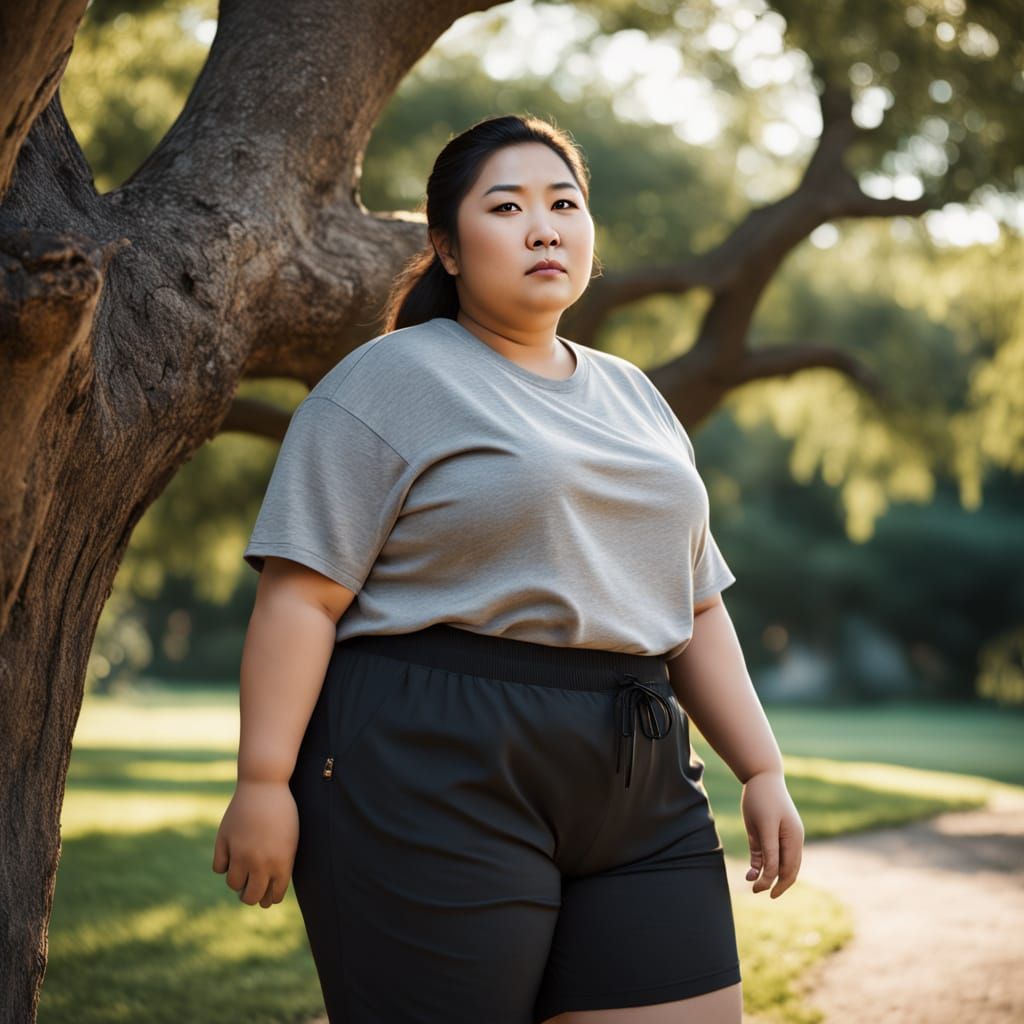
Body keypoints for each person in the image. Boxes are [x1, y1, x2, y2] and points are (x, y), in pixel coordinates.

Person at [213, 112, 804, 1024]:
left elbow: (697, 606)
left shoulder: (635, 394)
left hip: (637, 765)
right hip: (431, 761)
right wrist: (262, 782)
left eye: (564, 203)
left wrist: (760, 770)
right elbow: (301, 597)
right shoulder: (387, 380)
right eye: (507, 207)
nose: (544, 226)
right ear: (446, 248)